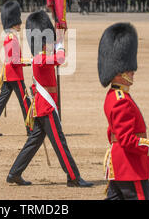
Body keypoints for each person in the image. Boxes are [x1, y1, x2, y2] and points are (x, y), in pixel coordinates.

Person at [6, 10, 93, 187]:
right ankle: (73, 177)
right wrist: (60, 43)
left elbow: (55, 50)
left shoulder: (43, 54)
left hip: (44, 104)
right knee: (60, 142)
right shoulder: (39, 58)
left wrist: (61, 31)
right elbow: (60, 58)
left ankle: (14, 173)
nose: (50, 44)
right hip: (46, 106)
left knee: (34, 141)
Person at [97, 22, 149, 200]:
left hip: (120, 163)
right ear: (119, 72)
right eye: (129, 69)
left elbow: (112, 133)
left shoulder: (114, 96)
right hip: (130, 166)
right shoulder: (121, 101)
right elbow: (128, 140)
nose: (133, 72)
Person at [0, 1, 31, 136]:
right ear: (14, 22)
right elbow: (15, 61)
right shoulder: (12, 39)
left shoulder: (10, 37)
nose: (20, 24)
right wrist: (30, 62)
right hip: (15, 75)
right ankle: (31, 129)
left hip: (9, 74)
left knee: (1, 101)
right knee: (25, 102)